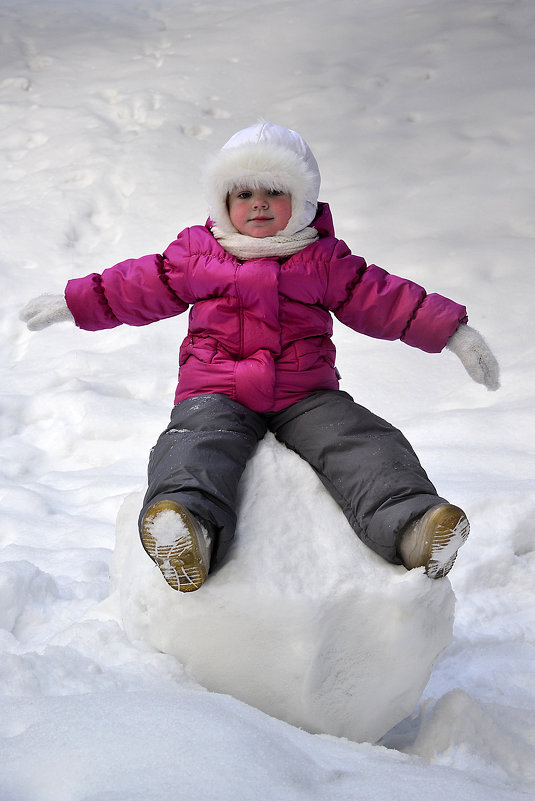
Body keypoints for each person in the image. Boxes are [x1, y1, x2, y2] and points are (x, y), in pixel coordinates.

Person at [20, 122, 500, 593]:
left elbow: (387, 299)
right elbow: (135, 286)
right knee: (195, 444)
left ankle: (415, 526)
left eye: (274, 191)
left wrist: (452, 332)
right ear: (224, 202)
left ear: (303, 201)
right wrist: (74, 301)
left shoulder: (323, 260)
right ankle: (188, 533)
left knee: (361, 439)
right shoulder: (197, 254)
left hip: (305, 394)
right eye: (243, 194)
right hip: (216, 389)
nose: (259, 204)